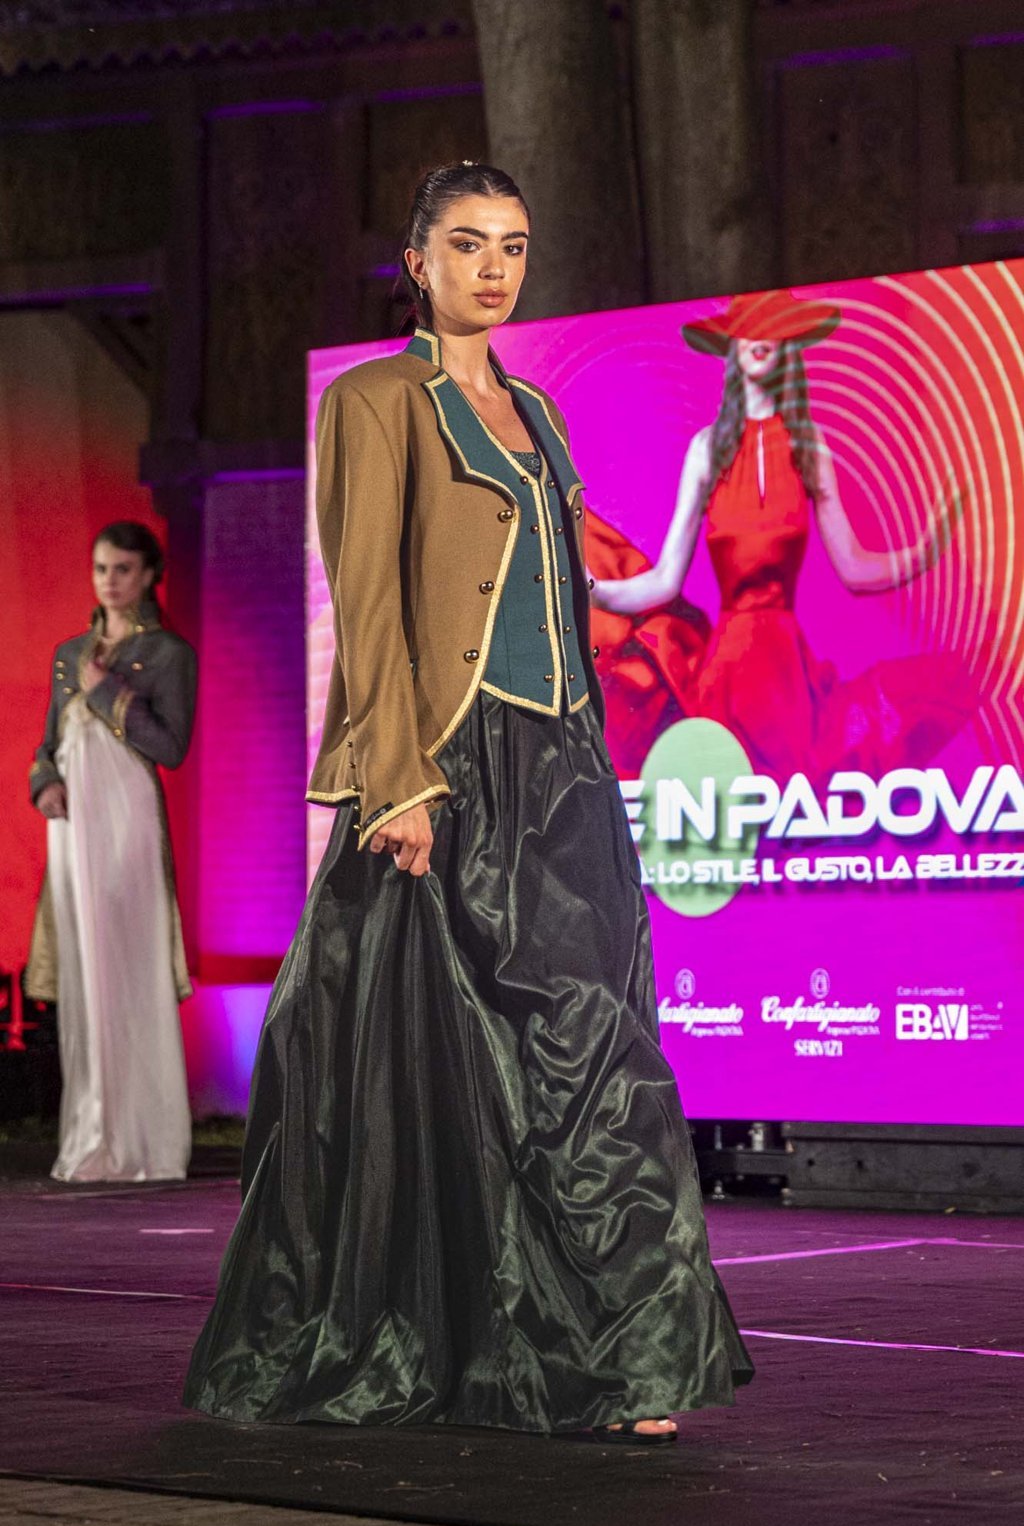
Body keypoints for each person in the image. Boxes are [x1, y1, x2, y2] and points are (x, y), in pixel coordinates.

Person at [183, 162, 752, 1441]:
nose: (493, 268)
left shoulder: (538, 411)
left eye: (512, 245)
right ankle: (555, 1357)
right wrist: (396, 780)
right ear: (416, 259)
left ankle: (613, 1355)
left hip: (563, 764)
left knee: (598, 1044)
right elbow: (370, 600)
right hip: (448, 760)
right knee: (452, 1065)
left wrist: (592, 750)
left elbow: (562, 590)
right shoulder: (377, 400)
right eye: (467, 243)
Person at [590, 289, 973, 780]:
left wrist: (926, 551)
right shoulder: (707, 449)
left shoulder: (809, 446)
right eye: (749, 326)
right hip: (728, 669)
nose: (760, 337)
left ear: (788, 345)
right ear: (732, 345)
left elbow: (855, 570)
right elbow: (664, 580)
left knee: (799, 787)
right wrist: (595, 589)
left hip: (787, 671)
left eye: (773, 326)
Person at [27, 521, 196, 1183]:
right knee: (85, 970)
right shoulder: (69, 652)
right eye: (102, 569)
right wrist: (45, 784)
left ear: (149, 574)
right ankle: (91, 1136)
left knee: (129, 967)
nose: (110, 581)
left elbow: (171, 747)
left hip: (126, 821)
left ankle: (146, 1143)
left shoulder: (169, 654)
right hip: (75, 828)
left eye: (123, 569)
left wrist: (106, 691)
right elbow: (48, 744)